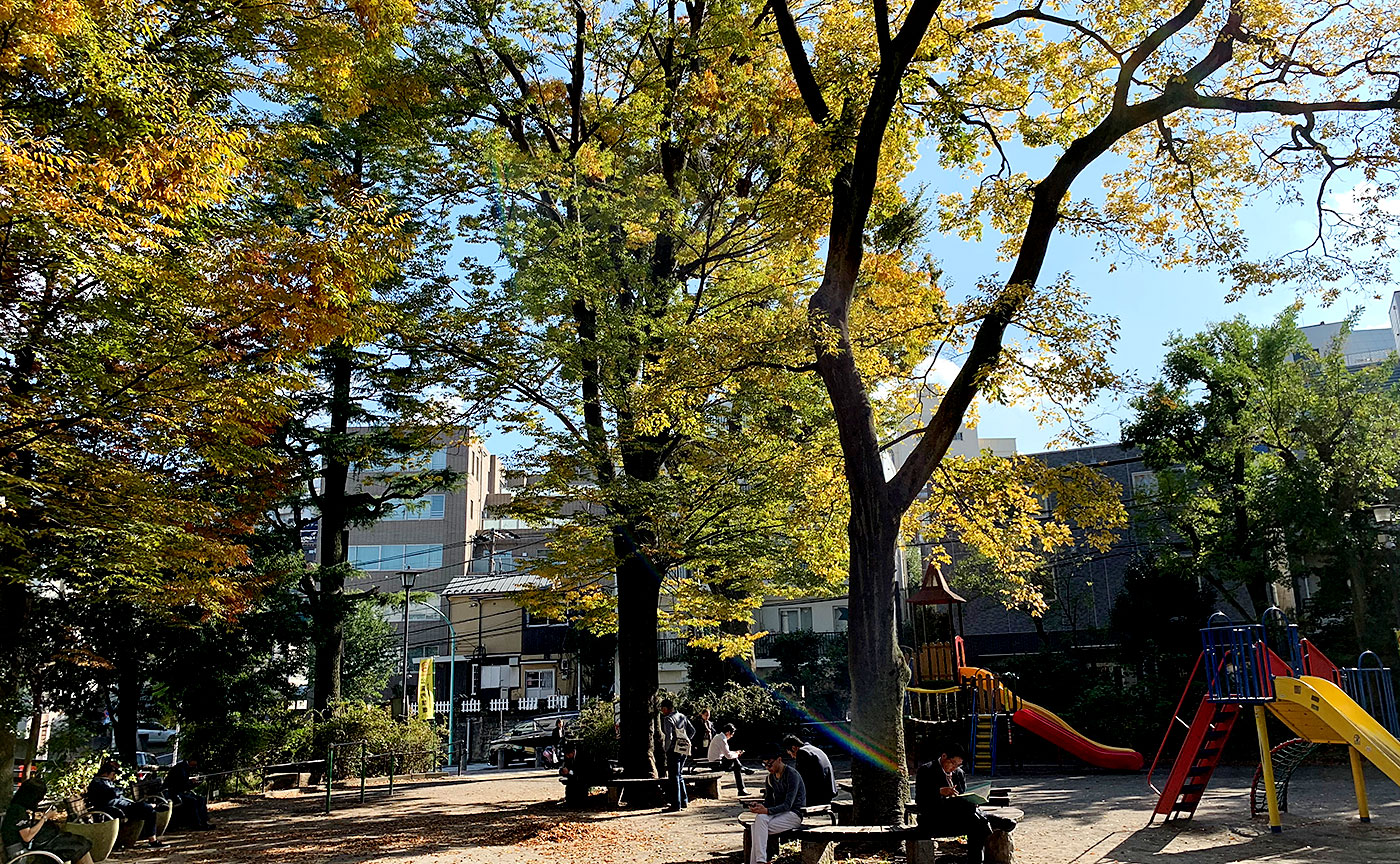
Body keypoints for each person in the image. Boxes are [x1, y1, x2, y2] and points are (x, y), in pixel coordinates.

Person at [914, 744, 1013, 864]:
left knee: (975, 822)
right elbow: (920, 800)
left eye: (958, 765)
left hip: (958, 817)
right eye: (952, 763)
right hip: (934, 817)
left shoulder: (958, 773)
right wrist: (939, 792)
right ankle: (989, 819)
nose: (954, 768)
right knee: (977, 822)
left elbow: (962, 796)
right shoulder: (926, 770)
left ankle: (975, 859)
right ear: (944, 756)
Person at [2, 778, 96, 864]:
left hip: (29, 848)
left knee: (79, 845)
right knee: (78, 847)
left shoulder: (17, 808)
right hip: (23, 856)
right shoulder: (17, 811)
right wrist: (45, 818)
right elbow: (27, 836)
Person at [746, 749, 805, 864]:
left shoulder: (792, 775)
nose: (768, 767)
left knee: (756, 828)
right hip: (778, 814)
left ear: (779, 760)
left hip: (794, 814)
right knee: (759, 821)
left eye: (770, 764)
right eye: (765, 764)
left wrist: (766, 810)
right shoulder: (770, 778)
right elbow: (768, 802)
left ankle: (757, 861)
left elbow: (788, 805)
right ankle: (760, 861)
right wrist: (759, 806)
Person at [86, 761, 163, 848]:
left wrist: (118, 791)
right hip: (115, 810)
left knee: (148, 810)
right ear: (108, 772)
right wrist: (118, 790)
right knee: (148, 810)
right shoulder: (97, 783)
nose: (114, 776)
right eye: (113, 773)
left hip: (121, 807)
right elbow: (112, 793)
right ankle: (153, 840)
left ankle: (154, 808)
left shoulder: (104, 782)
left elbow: (116, 792)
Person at [658, 698, 695, 811]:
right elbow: (692, 730)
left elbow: (668, 736)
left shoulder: (668, 719)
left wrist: (666, 749)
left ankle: (676, 804)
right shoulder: (682, 716)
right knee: (679, 775)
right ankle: (684, 801)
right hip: (683, 749)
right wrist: (687, 740)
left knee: (673, 777)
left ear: (665, 708)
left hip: (673, 750)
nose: (662, 711)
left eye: (662, 709)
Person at [782, 734, 838, 806]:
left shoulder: (802, 753)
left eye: (790, 754)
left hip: (818, 797)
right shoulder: (813, 749)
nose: (792, 757)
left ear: (793, 748)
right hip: (828, 793)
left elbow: (799, 779)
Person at [163, 757, 212, 829]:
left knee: (201, 799)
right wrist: (191, 782)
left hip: (181, 791)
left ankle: (203, 822)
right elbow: (180, 784)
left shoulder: (186, 768)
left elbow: (185, 785)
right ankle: (196, 824)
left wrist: (193, 783)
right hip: (174, 793)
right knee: (193, 801)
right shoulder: (180, 768)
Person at [558, 742, 607, 807]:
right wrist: (562, 771)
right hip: (575, 777)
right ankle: (570, 801)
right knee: (570, 785)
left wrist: (569, 772)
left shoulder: (583, 756)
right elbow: (564, 767)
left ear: (572, 752)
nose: (567, 756)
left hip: (587, 775)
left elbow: (583, 770)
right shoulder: (568, 757)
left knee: (580, 784)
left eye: (568, 754)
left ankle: (580, 802)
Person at [706, 723, 749, 795]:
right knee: (736, 764)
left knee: (736, 766)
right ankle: (741, 787)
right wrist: (737, 754)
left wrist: (735, 753)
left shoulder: (718, 737)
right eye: (732, 734)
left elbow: (726, 753)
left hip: (716, 762)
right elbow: (728, 756)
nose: (731, 736)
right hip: (715, 765)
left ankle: (742, 769)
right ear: (728, 732)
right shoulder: (722, 739)